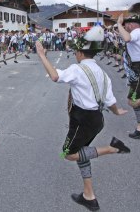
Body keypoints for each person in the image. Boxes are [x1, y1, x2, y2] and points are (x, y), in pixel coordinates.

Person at [36, 25, 129, 211]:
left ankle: (113, 148)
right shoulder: (103, 74)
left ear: (80, 52)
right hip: (97, 120)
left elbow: (54, 76)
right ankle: (89, 196)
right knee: (81, 151)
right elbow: (110, 101)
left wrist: (42, 55)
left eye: (75, 51)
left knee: (68, 153)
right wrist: (117, 111)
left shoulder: (77, 69)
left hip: (82, 120)